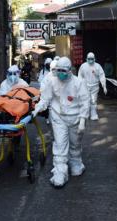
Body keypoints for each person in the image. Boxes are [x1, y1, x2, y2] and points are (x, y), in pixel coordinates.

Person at [32, 57, 90, 188]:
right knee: (60, 144)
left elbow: (85, 102)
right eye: (58, 70)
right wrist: (36, 110)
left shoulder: (78, 83)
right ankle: (60, 172)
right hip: (58, 116)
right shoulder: (52, 81)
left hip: (75, 118)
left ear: (70, 71)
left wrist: (82, 120)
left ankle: (76, 163)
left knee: (75, 143)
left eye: (63, 70)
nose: (60, 73)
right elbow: (45, 99)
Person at [78, 52, 107, 121]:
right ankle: (85, 114)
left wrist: (104, 86)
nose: (90, 60)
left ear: (94, 59)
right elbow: (80, 76)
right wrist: (79, 85)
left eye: (92, 59)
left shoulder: (97, 66)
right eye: (89, 59)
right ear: (86, 59)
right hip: (85, 86)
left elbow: (102, 76)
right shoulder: (83, 66)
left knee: (93, 101)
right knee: (85, 101)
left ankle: (93, 115)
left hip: (95, 86)